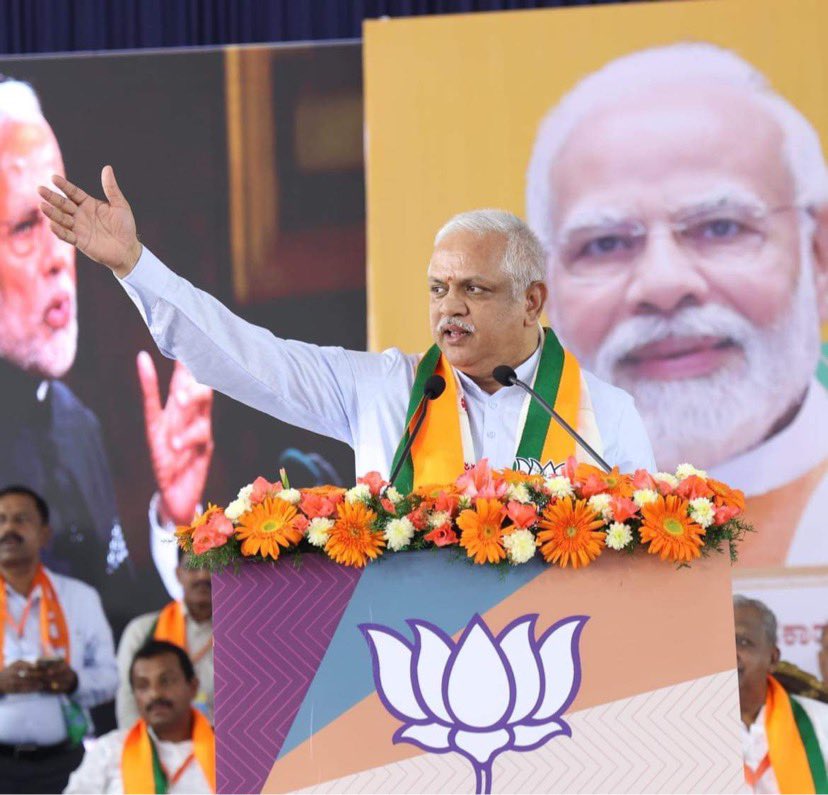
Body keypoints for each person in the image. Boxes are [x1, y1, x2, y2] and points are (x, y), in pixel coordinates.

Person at [37, 168, 656, 482]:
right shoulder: (383, 391)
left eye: (474, 289)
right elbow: (243, 355)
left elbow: (647, 565)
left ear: (532, 301)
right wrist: (135, 267)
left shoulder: (604, 416)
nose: (449, 309)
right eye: (438, 289)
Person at [525, 43, 828, 567]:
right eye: (604, 244)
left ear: (818, 254)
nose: (663, 285)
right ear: (542, 290)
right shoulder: (495, 512)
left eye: (721, 228)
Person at [0, 76, 215, 616]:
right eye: (27, 226)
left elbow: (122, 625)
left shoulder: (74, 424)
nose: (58, 256)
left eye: (61, 220)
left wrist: (173, 518)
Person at [0, 485, 118, 794]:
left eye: (21, 519)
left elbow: (110, 678)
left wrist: (73, 682)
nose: (8, 528)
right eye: (1, 520)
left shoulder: (80, 597)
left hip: (66, 764)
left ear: (44, 534)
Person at [65, 640, 215, 794]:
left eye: (166, 681)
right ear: (135, 696)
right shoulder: (110, 750)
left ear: (193, 686)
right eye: (143, 685)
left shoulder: (229, 752)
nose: (155, 694)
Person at [734, 595, 828, 793]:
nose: (728, 652)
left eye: (742, 641)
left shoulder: (822, 721)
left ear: (773, 658)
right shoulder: (682, 731)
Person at [116, 551, 213, 727]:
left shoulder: (242, 636)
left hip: (223, 747)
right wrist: (145, 750)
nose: (203, 575)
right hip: (159, 748)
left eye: (213, 567)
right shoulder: (142, 631)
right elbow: (128, 697)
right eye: (192, 567)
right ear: (178, 574)